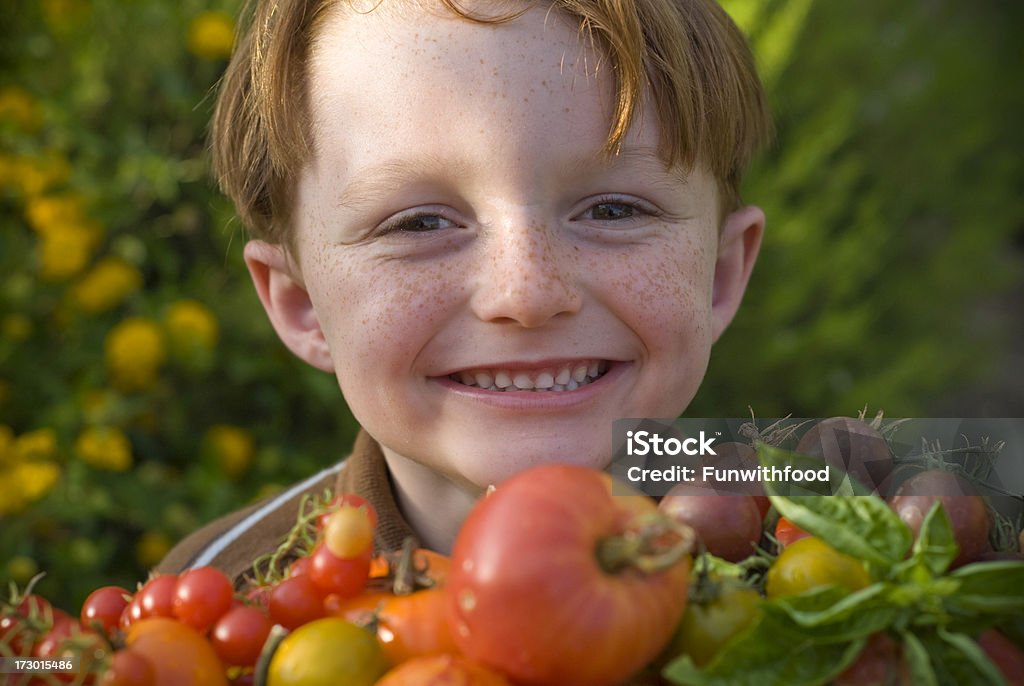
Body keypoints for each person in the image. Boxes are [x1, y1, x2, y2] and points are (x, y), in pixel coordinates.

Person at [157, 0, 773, 583]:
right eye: (419, 223)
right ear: (303, 306)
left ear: (718, 273)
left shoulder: (855, 537)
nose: (527, 293)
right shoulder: (205, 609)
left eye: (613, 210)